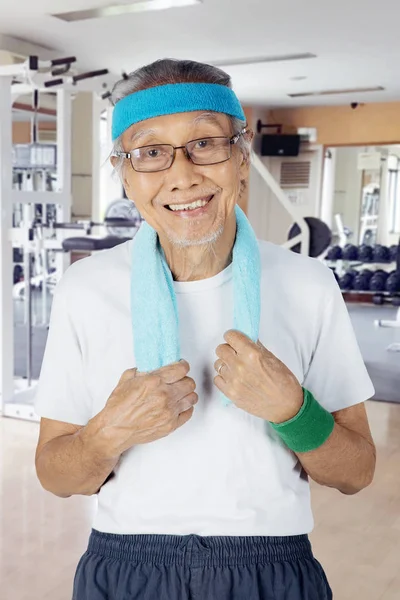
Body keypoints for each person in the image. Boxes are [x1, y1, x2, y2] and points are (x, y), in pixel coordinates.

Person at [34, 59, 376, 600]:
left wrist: (294, 411)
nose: (183, 175)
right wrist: (108, 432)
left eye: (206, 144)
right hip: (127, 569)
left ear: (242, 158)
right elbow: (56, 475)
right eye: (150, 152)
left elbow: (356, 472)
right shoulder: (86, 287)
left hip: (271, 568)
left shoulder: (309, 283)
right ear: (124, 173)